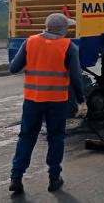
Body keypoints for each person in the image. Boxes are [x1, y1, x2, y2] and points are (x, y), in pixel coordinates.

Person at [8, 13, 87, 194]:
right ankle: (54, 178)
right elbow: (76, 78)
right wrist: (81, 101)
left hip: (32, 100)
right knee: (56, 137)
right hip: (56, 102)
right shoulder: (69, 47)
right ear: (63, 29)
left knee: (26, 137)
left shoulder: (30, 42)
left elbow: (13, 68)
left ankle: (16, 178)